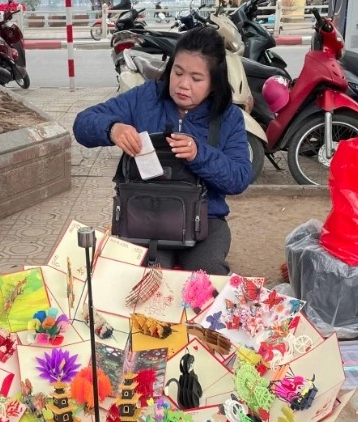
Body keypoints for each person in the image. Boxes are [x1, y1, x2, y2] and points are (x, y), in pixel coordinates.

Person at [73, 27, 252, 275]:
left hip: (205, 222)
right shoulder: (146, 97)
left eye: (196, 78)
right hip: (144, 217)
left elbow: (240, 177)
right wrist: (112, 128)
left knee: (206, 273)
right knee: (149, 275)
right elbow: (82, 124)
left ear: (213, 83)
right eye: (178, 72)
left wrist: (199, 154)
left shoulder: (228, 117)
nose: (183, 84)